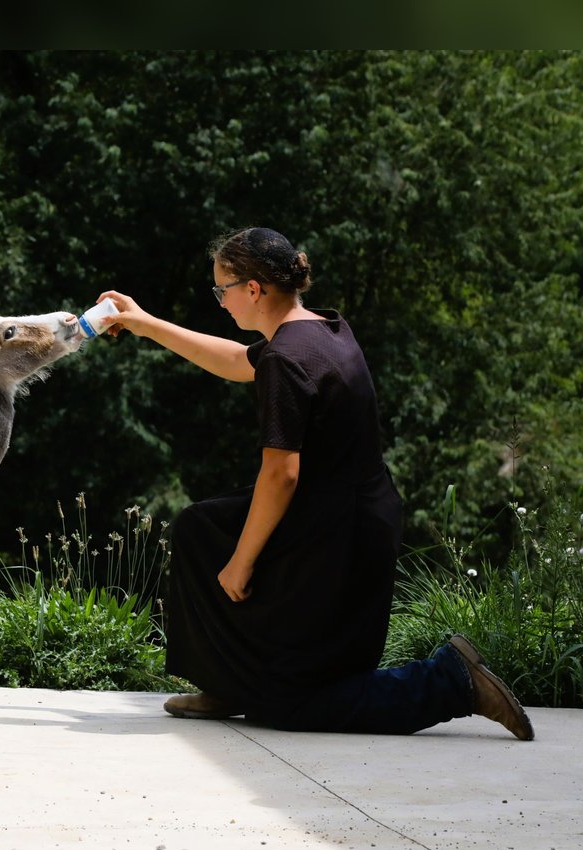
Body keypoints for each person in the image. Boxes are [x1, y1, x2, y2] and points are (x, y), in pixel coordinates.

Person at [93, 226, 533, 740]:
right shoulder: (321, 329)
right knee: (200, 528)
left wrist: (242, 562)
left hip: (341, 537)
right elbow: (237, 360)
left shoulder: (286, 358)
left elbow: (281, 474)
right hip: (348, 513)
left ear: (252, 289)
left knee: (295, 706)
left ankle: (451, 681)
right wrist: (146, 324)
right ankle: (229, 682)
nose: (221, 303)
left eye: (222, 290)